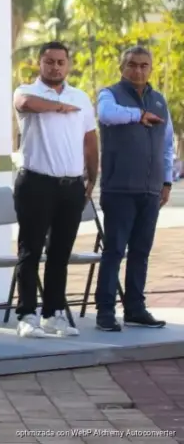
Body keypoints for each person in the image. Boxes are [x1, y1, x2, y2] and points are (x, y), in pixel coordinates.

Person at [12, 41, 98, 339]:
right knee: (30, 250)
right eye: (49, 61)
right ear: (40, 63)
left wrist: (92, 175)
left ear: (69, 65)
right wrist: (60, 107)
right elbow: (25, 105)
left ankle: (53, 314)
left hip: (70, 186)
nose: (55, 67)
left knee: (60, 253)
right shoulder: (27, 91)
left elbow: (89, 138)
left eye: (61, 61)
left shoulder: (82, 97)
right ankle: (26, 315)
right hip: (36, 183)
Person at [94, 45, 175, 332]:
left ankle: (135, 309)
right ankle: (104, 312)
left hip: (151, 191)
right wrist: (138, 115)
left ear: (150, 69)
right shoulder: (109, 94)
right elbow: (106, 114)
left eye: (143, 65)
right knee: (114, 251)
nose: (137, 70)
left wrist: (166, 182)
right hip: (119, 189)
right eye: (131, 64)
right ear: (122, 67)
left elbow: (167, 146)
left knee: (141, 251)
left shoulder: (159, 101)